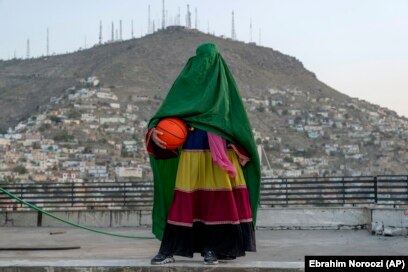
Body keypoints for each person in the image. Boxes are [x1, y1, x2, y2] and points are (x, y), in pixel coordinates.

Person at [145, 43, 260, 265]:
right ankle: (168, 249)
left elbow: (237, 125)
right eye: (200, 59)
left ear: (217, 63)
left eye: (208, 59)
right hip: (191, 153)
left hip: (223, 155)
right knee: (184, 200)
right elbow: (166, 113)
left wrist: (241, 147)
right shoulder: (185, 84)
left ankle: (213, 248)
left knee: (219, 201)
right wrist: (155, 132)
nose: (203, 64)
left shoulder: (224, 90)